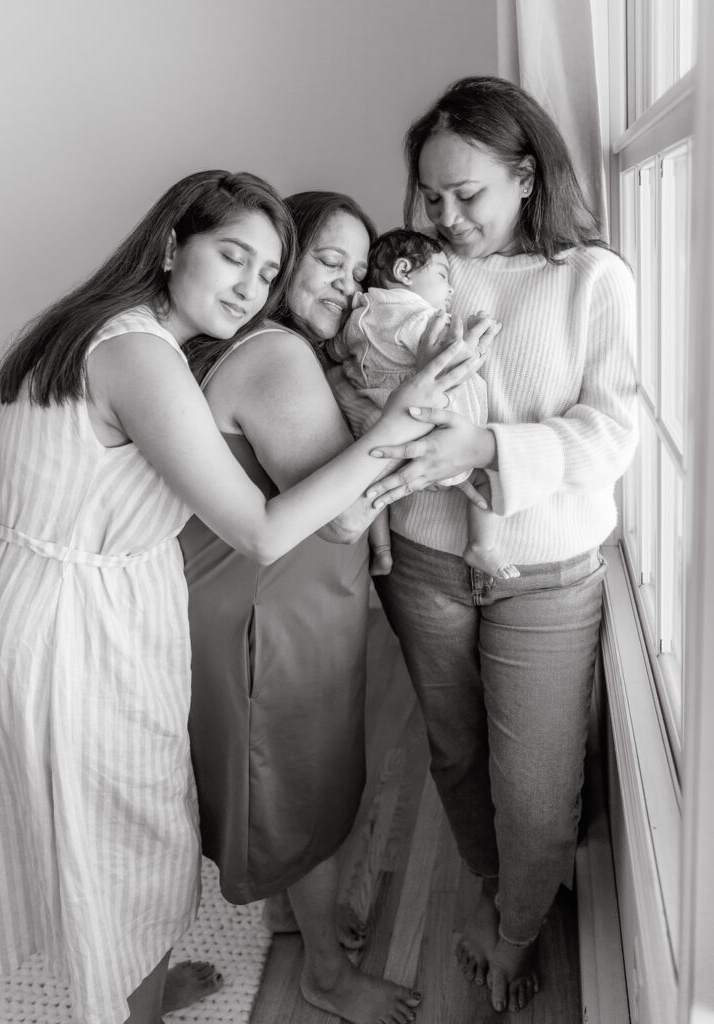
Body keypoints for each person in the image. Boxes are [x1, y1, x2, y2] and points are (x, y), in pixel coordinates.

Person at [0, 171, 469, 1024]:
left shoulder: (89, 328)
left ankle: (139, 985)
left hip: (53, 597)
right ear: (171, 246)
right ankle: (125, 1006)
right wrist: (398, 424)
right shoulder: (140, 353)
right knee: (119, 841)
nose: (250, 286)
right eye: (234, 256)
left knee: (121, 829)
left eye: (266, 272)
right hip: (75, 625)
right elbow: (265, 531)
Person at [340, 76, 638, 1014]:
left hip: (547, 571)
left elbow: (614, 433)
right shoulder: (412, 275)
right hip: (426, 561)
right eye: (430, 196)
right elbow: (355, 379)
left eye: (466, 194)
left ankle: (515, 925)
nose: (446, 216)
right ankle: (493, 881)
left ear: (525, 175)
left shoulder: (591, 277)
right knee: (457, 752)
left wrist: (487, 449)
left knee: (539, 783)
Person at [182, 191, 491, 1024]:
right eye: (328, 262)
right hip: (273, 615)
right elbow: (346, 513)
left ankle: (293, 912)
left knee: (284, 782)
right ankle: (325, 974)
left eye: (359, 272)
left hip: (279, 601)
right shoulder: (277, 355)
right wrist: (420, 400)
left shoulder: (271, 347)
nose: (350, 288)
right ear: (286, 256)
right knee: (302, 790)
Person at [327, 227, 512, 579]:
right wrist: (478, 335)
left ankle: (381, 550)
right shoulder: (419, 317)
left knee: (376, 491)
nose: (451, 289)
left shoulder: (357, 316)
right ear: (403, 272)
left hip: (381, 425)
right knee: (489, 477)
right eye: (443, 276)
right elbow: (449, 361)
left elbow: (336, 351)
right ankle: (481, 546)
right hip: (432, 424)